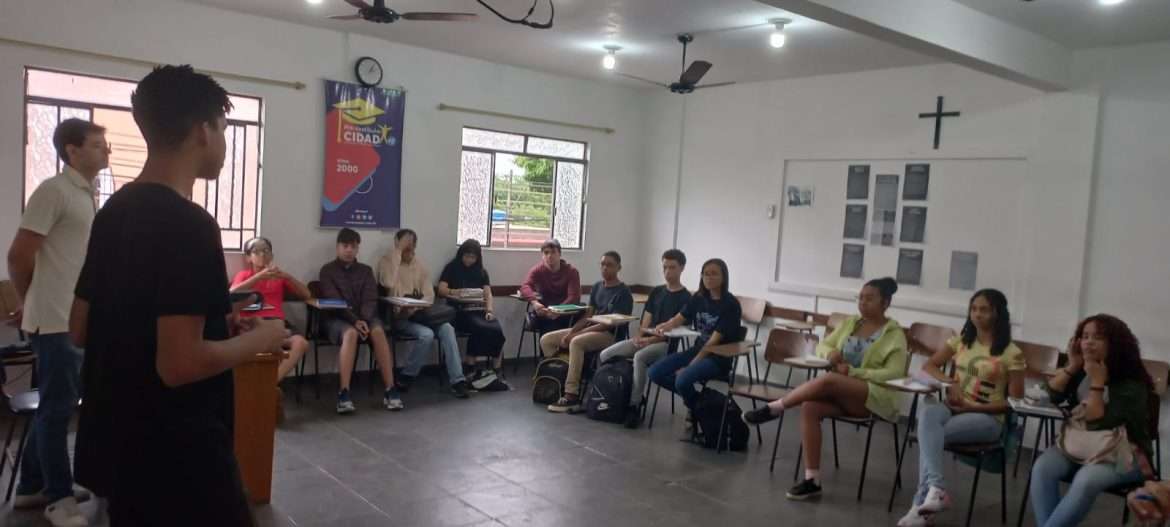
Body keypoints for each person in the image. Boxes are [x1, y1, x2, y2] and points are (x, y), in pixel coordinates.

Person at [70, 65, 288, 526]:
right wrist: (262, 337)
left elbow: (81, 328)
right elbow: (179, 365)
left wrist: (216, 325)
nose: (225, 143)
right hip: (177, 458)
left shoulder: (113, 210)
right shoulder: (189, 224)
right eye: (224, 128)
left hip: (115, 443)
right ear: (202, 131)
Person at [7, 118, 107, 526]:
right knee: (56, 409)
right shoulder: (54, 191)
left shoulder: (85, 193)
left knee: (57, 405)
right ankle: (59, 499)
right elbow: (18, 256)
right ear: (72, 151)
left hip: (71, 317)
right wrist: (32, 298)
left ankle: (32, 487)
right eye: (98, 144)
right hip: (53, 320)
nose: (107, 151)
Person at [742, 277, 908, 501]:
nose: (862, 303)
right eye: (860, 298)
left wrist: (856, 373)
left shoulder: (894, 334)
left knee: (830, 379)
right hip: (842, 392)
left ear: (885, 303)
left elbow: (894, 374)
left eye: (869, 299)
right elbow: (823, 345)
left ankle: (775, 408)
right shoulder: (852, 324)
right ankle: (813, 480)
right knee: (810, 407)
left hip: (875, 398)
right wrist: (830, 354)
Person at [896, 289, 1025, 526]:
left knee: (931, 437)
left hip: (987, 419)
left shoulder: (1011, 353)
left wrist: (969, 408)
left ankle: (919, 506)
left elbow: (1014, 403)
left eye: (984, 309)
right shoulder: (961, 341)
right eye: (973, 309)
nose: (977, 314)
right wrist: (950, 381)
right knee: (928, 415)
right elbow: (929, 365)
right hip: (954, 407)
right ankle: (936, 489)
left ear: (997, 313)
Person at [1030, 314, 1155, 527]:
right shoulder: (1083, 368)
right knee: (1042, 468)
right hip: (1080, 445)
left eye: (1097, 337)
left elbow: (1097, 422)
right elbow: (1050, 396)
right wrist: (1072, 366)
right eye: (1084, 336)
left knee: (1087, 480)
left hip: (1123, 453)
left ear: (1114, 344)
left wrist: (1097, 382)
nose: (1088, 342)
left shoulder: (1132, 383)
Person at [597, 249, 690, 428]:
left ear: (682, 268)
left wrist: (648, 340)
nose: (667, 272)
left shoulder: (686, 298)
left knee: (639, 358)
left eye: (672, 267)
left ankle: (634, 404)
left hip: (664, 344)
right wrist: (639, 337)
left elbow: (672, 332)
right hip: (645, 339)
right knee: (606, 354)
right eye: (664, 267)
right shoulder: (657, 292)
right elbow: (646, 318)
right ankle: (610, 395)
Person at [378, 229, 470, 398]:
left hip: (422, 315)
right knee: (426, 335)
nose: (409, 248)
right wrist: (398, 252)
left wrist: (418, 306)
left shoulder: (419, 265)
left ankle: (458, 380)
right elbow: (388, 282)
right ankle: (407, 376)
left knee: (448, 329)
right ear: (396, 243)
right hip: (400, 318)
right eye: (405, 244)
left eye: (412, 245)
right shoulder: (386, 262)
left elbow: (429, 295)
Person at [319, 228, 402, 413]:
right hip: (337, 318)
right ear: (337, 247)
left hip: (365, 317)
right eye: (345, 246)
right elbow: (334, 301)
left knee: (378, 331)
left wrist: (363, 319)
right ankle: (344, 392)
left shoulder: (365, 271)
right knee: (350, 334)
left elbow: (370, 298)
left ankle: (390, 388)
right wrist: (355, 321)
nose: (349, 250)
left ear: (358, 249)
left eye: (353, 247)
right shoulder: (327, 270)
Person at [647, 258, 743, 416]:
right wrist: (666, 325)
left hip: (718, 358)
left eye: (714, 274)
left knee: (682, 380)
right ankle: (699, 404)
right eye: (705, 274)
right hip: (697, 350)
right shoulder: (699, 297)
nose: (709, 278)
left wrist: (690, 366)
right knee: (654, 372)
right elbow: (680, 317)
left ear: (723, 277)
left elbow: (712, 342)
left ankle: (697, 410)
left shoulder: (730, 304)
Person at [229, 237, 312, 419]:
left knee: (301, 343)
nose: (262, 255)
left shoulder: (279, 277)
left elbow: (306, 294)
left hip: (277, 322)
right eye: (257, 252)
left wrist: (287, 276)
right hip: (253, 324)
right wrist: (258, 276)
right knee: (261, 330)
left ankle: (266, 386)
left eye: (266, 251)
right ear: (248, 258)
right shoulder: (244, 275)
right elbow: (231, 294)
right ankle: (267, 391)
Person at [544, 251, 634, 413]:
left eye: (609, 265)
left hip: (610, 335)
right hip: (590, 329)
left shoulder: (623, 293)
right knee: (547, 340)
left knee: (576, 342)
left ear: (619, 268)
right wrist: (572, 331)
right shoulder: (598, 287)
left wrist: (575, 335)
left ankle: (571, 395)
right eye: (602, 264)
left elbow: (608, 325)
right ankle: (559, 380)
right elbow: (588, 315)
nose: (605, 268)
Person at [437, 239, 506, 379]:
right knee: (478, 327)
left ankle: (496, 368)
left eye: (473, 257)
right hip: (459, 312)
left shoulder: (481, 272)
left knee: (496, 328)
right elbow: (441, 290)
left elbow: (488, 293)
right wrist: (455, 292)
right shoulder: (451, 268)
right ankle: (470, 366)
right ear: (461, 254)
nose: (469, 260)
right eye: (467, 256)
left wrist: (489, 311)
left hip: (478, 310)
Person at [519, 239, 582, 337]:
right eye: (546, 253)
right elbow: (525, 286)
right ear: (542, 256)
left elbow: (574, 297)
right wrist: (534, 303)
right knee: (545, 323)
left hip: (566, 311)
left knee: (557, 324)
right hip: (546, 311)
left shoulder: (571, 271)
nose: (550, 256)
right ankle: (546, 350)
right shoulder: (537, 270)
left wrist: (558, 310)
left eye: (553, 252)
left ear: (559, 254)